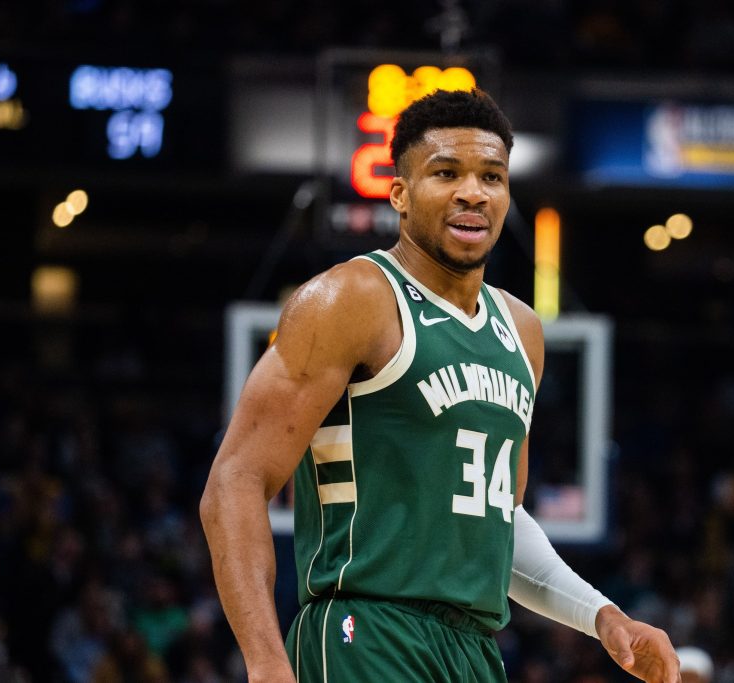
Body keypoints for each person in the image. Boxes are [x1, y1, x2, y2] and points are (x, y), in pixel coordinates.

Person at [200, 88, 680, 683]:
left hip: (474, 650)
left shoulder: (522, 331)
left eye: (492, 177)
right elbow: (235, 481)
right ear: (399, 193)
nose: (473, 192)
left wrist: (602, 616)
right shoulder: (352, 298)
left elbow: (498, 518)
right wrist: (266, 661)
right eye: (445, 173)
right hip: (366, 633)